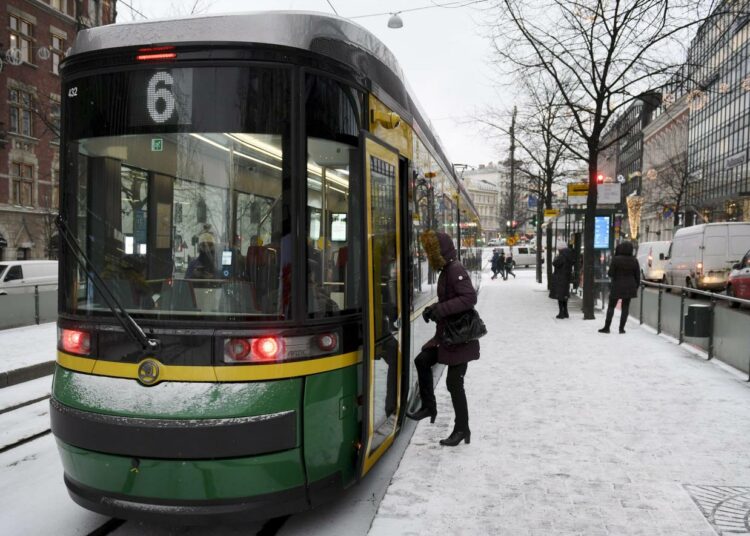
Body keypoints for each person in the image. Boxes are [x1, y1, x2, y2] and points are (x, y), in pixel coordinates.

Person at [407, 230, 479, 447]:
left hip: (460, 337)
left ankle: (461, 429)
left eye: (431, 251)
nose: (428, 256)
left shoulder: (455, 269)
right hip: (448, 336)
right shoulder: (446, 270)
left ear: (441, 251)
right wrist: (433, 309)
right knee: (422, 360)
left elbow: (469, 298)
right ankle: (429, 406)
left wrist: (441, 309)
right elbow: (449, 300)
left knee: (454, 384)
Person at [599, 241, 640, 334]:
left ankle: (607, 327)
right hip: (630, 286)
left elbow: (610, 273)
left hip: (617, 285)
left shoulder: (616, 259)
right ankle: (621, 329)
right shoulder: (634, 260)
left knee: (611, 306)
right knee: (625, 307)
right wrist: (635, 287)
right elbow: (637, 276)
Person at [550, 244, 575, 318]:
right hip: (566, 278)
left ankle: (561, 313)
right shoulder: (569, 255)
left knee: (560, 296)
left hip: (560, 278)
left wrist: (556, 257)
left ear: (561, 249)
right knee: (564, 295)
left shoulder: (562, 256)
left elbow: (555, 263)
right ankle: (566, 312)